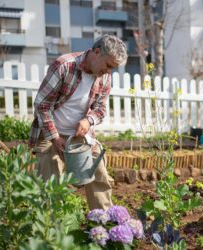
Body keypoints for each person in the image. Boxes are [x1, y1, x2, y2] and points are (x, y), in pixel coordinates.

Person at [28, 34, 128, 210]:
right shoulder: (64, 66)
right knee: (49, 179)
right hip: (51, 133)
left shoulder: (104, 76)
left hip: (79, 135)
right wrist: (55, 138)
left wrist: (88, 121)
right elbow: (42, 105)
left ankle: (102, 226)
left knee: (99, 174)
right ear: (96, 52)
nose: (109, 71)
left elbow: (101, 109)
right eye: (108, 65)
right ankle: (50, 230)